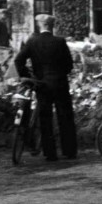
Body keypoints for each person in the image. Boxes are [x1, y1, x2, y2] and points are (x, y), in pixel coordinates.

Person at [14, 14, 77, 161]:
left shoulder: (32, 41)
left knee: (45, 118)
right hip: (60, 83)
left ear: (39, 26)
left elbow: (18, 60)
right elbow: (69, 64)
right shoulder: (60, 42)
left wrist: (28, 76)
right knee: (65, 117)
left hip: (42, 84)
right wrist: (61, 73)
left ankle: (50, 153)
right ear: (52, 26)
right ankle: (69, 151)